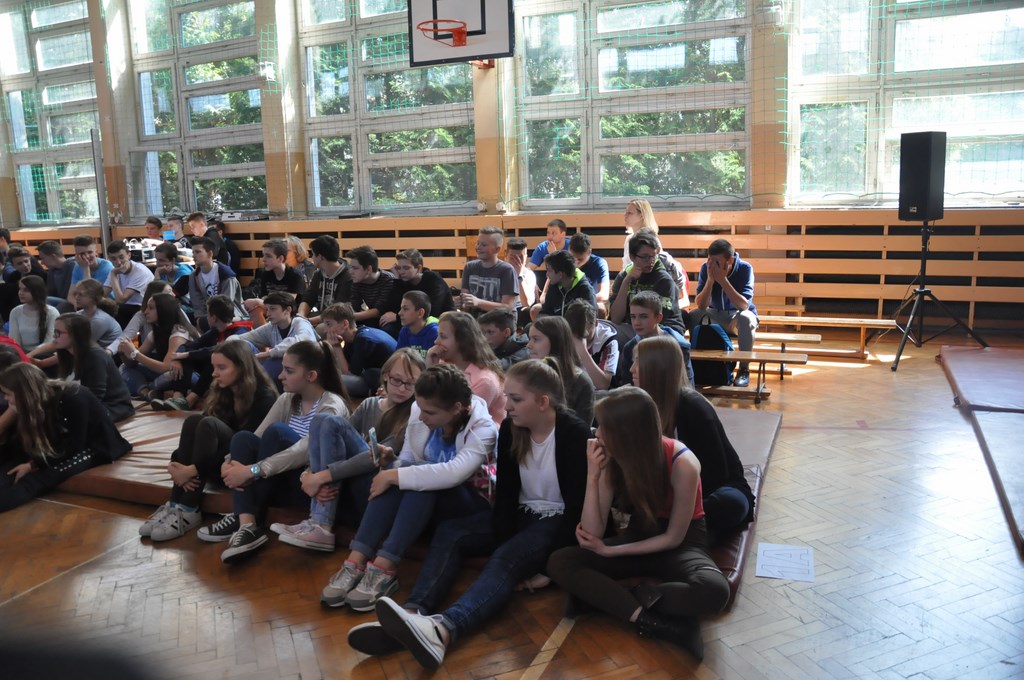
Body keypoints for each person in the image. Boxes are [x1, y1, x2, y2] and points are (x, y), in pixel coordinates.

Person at [349, 359, 590, 670]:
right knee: (451, 532)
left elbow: (576, 506)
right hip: (521, 514)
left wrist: (548, 565)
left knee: (504, 559)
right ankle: (413, 614)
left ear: (543, 402)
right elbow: (506, 496)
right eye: (507, 397)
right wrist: (503, 537)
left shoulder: (573, 433)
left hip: (555, 520)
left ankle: (444, 628)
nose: (507, 405)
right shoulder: (512, 429)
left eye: (516, 399)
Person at [546, 388, 731, 661]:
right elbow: (592, 532)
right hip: (638, 535)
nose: (596, 433)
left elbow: (673, 538)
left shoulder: (683, 462)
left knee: (715, 590)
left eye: (603, 427)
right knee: (560, 561)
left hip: (680, 543)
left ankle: (612, 598)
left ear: (627, 433)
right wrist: (593, 475)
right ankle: (650, 621)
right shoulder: (612, 458)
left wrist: (610, 551)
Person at [319, 364, 498, 612]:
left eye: (430, 412)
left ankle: (385, 566)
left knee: (416, 478)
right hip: (427, 502)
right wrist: (392, 463)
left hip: (471, 504)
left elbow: (454, 473)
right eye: (420, 408)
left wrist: (396, 473)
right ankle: (356, 560)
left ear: (457, 408)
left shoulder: (484, 428)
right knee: (403, 475)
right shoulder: (419, 409)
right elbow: (409, 459)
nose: (421, 416)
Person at [199, 340, 350, 562]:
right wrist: (228, 461)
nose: (280, 376)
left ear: (311, 376)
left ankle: (244, 517)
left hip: (308, 485)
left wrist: (252, 470)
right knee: (243, 438)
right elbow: (257, 435)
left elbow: (304, 451)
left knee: (277, 433)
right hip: (276, 479)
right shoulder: (287, 399)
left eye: (288, 371)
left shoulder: (332, 406)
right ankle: (247, 524)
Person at [273, 349, 427, 553]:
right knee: (321, 421)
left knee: (331, 422)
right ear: (385, 376)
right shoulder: (370, 404)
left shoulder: (412, 416)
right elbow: (334, 442)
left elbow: (376, 458)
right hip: (349, 480)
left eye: (410, 384)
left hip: (376, 486)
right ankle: (317, 520)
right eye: (397, 380)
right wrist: (309, 473)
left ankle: (322, 524)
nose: (402, 388)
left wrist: (321, 477)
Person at [139, 341, 279, 542]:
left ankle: (188, 507)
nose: (214, 374)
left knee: (208, 424)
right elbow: (196, 437)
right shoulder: (224, 391)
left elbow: (244, 446)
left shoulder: (264, 397)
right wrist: (175, 464)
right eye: (214, 367)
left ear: (242, 368)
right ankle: (175, 505)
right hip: (213, 466)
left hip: (241, 470)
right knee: (194, 420)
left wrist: (193, 470)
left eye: (221, 368)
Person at [631, 335, 755, 537]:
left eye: (638, 362)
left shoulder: (693, 407)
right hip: (668, 492)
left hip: (709, 490)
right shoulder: (640, 403)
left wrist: (677, 500)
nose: (632, 369)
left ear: (656, 368)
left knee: (731, 504)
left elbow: (716, 474)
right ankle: (678, 526)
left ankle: (676, 525)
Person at [0, 363, 131, 513]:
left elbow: (74, 446)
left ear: (24, 393)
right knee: (11, 468)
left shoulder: (74, 397)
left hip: (94, 446)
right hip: (60, 445)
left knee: (40, 477)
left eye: (8, 394)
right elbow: (24, 444)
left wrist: (33, 465)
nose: (5, 398)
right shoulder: (34, 402)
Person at [151, 294, 254, 412]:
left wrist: (186, 354)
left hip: (235, 374)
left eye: (208, 314)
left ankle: (190, 400)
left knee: (214, 360)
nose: (206, 317)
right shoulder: (215, 331)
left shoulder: (240, 331)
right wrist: (178, 358)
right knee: (187, 356)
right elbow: (190, 345)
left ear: (214, 318)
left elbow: (219, 350)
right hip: (209, 376)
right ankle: (178, 397)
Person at [689, 238, 758, 387]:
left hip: (736, 316)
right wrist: (710, 281)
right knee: (694, 315)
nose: (712, 265)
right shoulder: (706, 268)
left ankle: (744, 369)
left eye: (717, 262)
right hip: (714, 314)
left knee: (746, 318)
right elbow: (701, 305)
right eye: (710, 260)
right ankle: (696, 365)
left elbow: (744, 305)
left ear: (730, 260)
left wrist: (723, 280)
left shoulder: (745, 268)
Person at [427, 311, 506, 426]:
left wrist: (432, 372)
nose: (436, 341)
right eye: (438, 335)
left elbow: (456, 420)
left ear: (462, 341)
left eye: (443, 336)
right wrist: (432, 368)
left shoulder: (484, 381)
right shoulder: (443, 363)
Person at [53, 313, 133, 423]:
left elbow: (95, 396)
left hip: (113, 407)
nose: (54, 337)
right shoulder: (67, 354)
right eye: (54, 332)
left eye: (58, 333)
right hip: (87, 404)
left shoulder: (95, 356)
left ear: (75, 333)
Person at [229, 291, 319, 385]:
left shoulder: (301, 323)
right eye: (267, 309)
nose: (268, 314)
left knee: (275, 362)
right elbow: (241, 338)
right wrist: (227, 345)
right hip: (280, 372)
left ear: (288, 310)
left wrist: (265, 354)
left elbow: (303, 342)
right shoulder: (271, 327)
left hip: (304, 373)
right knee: (241, 345)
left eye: (272, 309)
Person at [609, 230, 684, 336]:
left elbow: (658, 320)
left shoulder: (664, 280)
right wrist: (626, 282)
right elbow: (616, 318)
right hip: (633, 328)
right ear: (632, 257)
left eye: (654, 256)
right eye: (645, 257)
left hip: (664, 329)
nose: (651, 261)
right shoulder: (624, 277)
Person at [117, 293, 193, 397]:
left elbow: (165, 367)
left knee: (170, 375)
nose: (145, 312)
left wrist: (134, 353)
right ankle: (147, 393)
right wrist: (123, 353)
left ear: (163, 310)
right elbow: (132, 363)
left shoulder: (179, 332)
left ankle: (150, 388)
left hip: (186, 374)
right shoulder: (155, 332)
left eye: (151, 308)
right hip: (164, 373)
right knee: (124, 367)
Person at [615, 291, 693, 388]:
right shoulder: (630, 347)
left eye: (644, 317)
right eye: (633, 317)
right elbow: (627, 384)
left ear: (658, 318)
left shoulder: (678, 345)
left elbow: (687, 385)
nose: (636, 322)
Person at [527, 316, 595, 426]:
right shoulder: (526, 375)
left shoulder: (581, 382)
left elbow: (582, 429)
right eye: (530, 339)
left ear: (556, 341)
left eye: (536, 339)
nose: (529, 345)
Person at [321, 301, 397, 398]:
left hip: (389, 381)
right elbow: (343, 365)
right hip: (374, 375)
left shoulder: (363, 339)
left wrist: (337, 347)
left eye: (329, 324)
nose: (325, 330)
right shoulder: (353, 337)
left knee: (329, 380)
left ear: (345, 324)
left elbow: (349, 373)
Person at [176, 236, 246, 331]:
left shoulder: (226, 275)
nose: (194, 255)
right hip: (209, 318)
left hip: (231, 318)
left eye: (198, 252)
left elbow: (226, 305)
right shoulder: (193, 276)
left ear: (209, 254)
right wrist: (199, 320)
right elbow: (197, 305)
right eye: (193, 252)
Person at [380, 249, 455, 338]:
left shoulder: (433, 279)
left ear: (419, 268)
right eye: (399, 268)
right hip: (414, 320)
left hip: (439, 320)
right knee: (388, 328)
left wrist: (397, 317)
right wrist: (397, 280)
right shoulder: (404, 281)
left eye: (406, 268)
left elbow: (432, 311)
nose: (401, 272)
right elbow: (393, 307)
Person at [244, 239, 307, 327]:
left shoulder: (295, 275)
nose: (263, 260)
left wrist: (258, 301)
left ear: (280, 258)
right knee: (255, 309)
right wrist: (258, 302)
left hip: (289, 311)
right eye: (263, 255)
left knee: (258, 304)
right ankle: (264, 334)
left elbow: (287, 302)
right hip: (272, 308)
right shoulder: (265, 274)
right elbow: (264, 297)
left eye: (268, 256)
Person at [564, 299, 619, 391]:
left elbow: (603, 385)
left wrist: (583, 352)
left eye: (583, 334)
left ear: (596, 323)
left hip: (600, 393)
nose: (578, 339)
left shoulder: (608, 341)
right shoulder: (564, 334)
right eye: (573, 334)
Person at [460, 226, 518, 314]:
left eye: (484, 245)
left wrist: (478, 302)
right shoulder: (469, 267)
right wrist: (461, 304)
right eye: (478, 243)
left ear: (497, 249)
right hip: (474, 319)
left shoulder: (507, 270)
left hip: (499, 320)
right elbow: (465, 303)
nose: (478, 247)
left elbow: (507, 307)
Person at [298, 234, 352, 326]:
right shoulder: (318, 274)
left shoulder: (348, 277)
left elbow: (338, 311)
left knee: (319, 328)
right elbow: (308, 298)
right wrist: (301, 316)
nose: (312, 257)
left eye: (313, 254)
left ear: (320, 257)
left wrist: (307, 322)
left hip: (339, 321)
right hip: (322, 318)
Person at [532, 250, 597, 321]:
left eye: (549, 271)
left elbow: (590, 319)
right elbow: (546, 310)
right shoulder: (554, 285)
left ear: (560, 274)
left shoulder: (585, 289)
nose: (547, 274)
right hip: (558, 325)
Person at [104, 240, 156, 327]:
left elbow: (121, 300)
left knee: (118, 310)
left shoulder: (140, 271)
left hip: (144, 306)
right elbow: (101, 295)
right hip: (126, 307)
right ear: (109, 259)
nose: (118, 262)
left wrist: (113, 274)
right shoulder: (115, 271)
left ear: (129, 255)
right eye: (113, 259)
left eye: (121, 257)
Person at [346, 245, 396, 330]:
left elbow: (378, 311)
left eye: (355, 268)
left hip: (389, 318)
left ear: (369, 269)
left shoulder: (388, 280)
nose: (351, 271)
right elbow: (354, 305)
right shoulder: (357, 281)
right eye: (351, 267)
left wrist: (347, 317)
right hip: (373, 318)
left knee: (387, 326)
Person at [10, 275, 58, 354]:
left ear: (37, 291)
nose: (21, 293)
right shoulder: (15, 311)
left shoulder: (52, 312)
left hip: (45, 353)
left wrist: (31, 355)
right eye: (20, 289)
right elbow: (14, 340)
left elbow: (50, 341)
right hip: (22, 354)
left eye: (26, 290)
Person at [1, 246, 48, 322]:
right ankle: (8, 322)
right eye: (20, 263)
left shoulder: (39, 274)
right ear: (14, 266)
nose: (25, 265)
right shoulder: (14, 275)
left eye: (26, 261)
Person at [67, 235, 114, 308]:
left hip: (104, 304)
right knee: (63, 306)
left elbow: (92, 297)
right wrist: (76, 304)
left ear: (96, 252)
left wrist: (85, 268)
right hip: (84, 304)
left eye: (90, 252)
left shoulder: (107, 267)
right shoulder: (77, 267)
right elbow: (70, 295)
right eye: (82, 254)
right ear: (76, 255)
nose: (87, 256)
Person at [569, 232, 610, 305]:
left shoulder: (599, 263)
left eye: (580, 260)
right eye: (573, 258)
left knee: (601, 308)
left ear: (589, 252)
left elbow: (604, 295)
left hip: (589, 304)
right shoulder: (565, 262)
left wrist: (579, 302)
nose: (576, 263)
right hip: (569, 304)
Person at [395, 290, 438, 359]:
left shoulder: (435, 333)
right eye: (401, 308)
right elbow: (398, 359)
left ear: (420, 313)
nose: (399, 313)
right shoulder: (405, 331)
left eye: (405, 309)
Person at [504, 237, 536, 328]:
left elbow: (526, 304)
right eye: (513, 257)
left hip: (520, 311)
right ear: (506, 256)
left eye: (521, 257)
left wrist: (519, 277)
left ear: (526, 257)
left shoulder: (529, 274)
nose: (517, 261)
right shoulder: (500, 271)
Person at [36, 240, 74, 310]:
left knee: (48, 301)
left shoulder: (73, 266)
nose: (42, 262)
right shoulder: (52, 271)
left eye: (43, 258)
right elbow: (50, 293)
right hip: (60, 302)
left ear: (53, 256)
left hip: (73, 301)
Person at [622, 198, 658, 268]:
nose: (625, 215)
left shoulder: (651, 240)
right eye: (626, 212)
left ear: (642, 216)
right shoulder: (629, 239)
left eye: (630, 213)